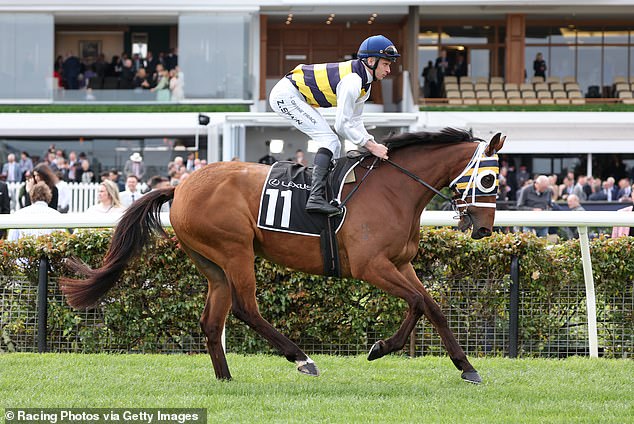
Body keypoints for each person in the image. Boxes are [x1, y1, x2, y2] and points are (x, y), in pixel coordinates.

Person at [269, 34, 396, 214]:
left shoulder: (365, 86)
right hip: (285, 95)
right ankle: (314, 198)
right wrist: (371, 147)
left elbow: (355, 121)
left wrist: (373, 143)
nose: (389, 70)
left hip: (297, 96)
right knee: (330, 141)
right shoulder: (353, 81)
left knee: (333, 146)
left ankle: (326, 196)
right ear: (370, 61)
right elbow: (342, 125)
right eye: (386, 64)